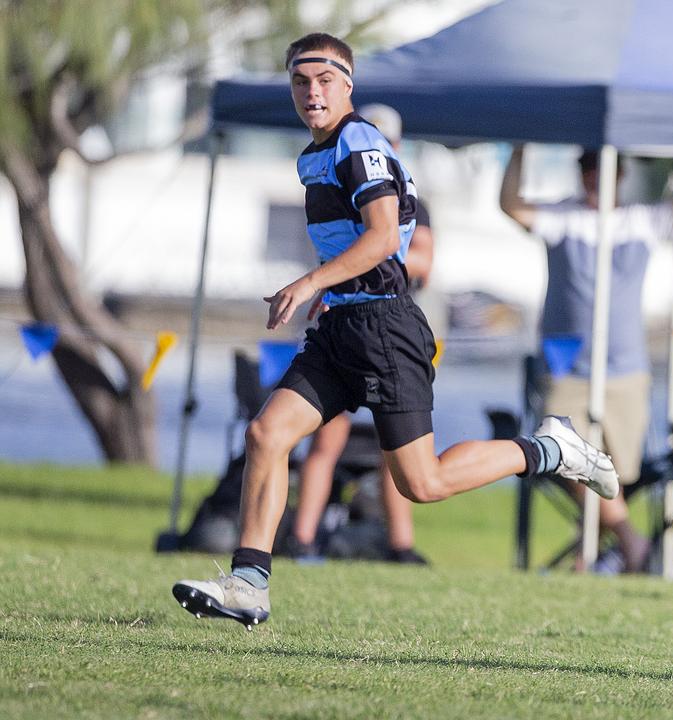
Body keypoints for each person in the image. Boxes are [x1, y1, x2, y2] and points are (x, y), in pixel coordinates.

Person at [173, 33, 619, 628]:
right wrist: (330, 293)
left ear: (347, 85)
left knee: (422, 482)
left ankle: (549, 449)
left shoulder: (359, 140)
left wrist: (310, 283)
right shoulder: (316, 154)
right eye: (301, 82)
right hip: (343, 326)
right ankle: (250, 583)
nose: (312, 92)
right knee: (266, 434)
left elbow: (384, 238)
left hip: (385, 326)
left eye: (324, 80)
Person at [499, 145, 673, 572]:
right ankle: (631, 545)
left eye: (601, 168)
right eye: (587, 168)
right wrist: (520, 149)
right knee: (562, 456)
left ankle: (597, 553)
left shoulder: (640, 220)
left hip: (625, 369)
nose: (594, 176)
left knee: (615, 471)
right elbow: (511, 206)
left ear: (619, 174)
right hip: (566, 364)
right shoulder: (563, 217)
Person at [287, 103, 434, 565]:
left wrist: (348, 275)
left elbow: (415, 259)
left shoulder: (389, 183)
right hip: (342, 321)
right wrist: (339, 279)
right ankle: (297, 545)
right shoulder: (332, 176)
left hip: (387, 327)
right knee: (302, 437)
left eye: (386, 138)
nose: (377, 145)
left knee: (414, 473)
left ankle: (400, 544)